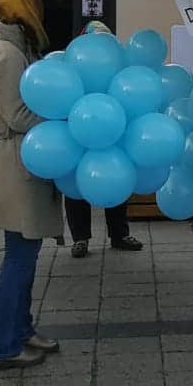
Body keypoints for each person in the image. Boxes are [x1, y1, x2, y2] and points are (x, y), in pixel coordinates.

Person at [0, 0, 62, 372]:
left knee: (25, 253)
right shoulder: (7, 53)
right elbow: (18, 115)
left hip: (20, 157)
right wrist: (61, 118)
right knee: (19, 257)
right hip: (13, 160)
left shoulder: (12, 47)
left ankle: (21, 330)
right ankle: (4, 346)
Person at [61, 20, 143, 259]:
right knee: (76, 186)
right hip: (79, 132)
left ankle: (119, 234)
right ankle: (80, 239)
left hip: (111, 131)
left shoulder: (118, 64)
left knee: (117, 178)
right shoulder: (72, 63)